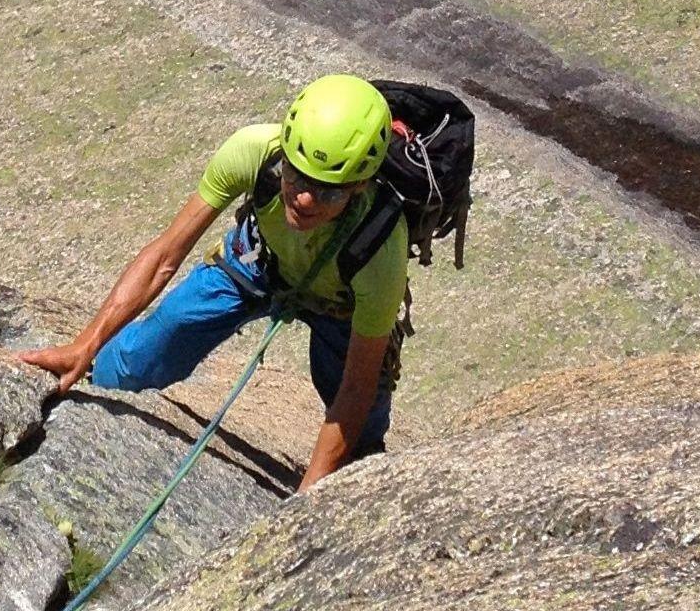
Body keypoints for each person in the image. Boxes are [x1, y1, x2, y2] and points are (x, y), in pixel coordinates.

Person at [22, 75, 410, 491]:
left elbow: (354, 388)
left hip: (341, 304)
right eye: (295, 178)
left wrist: (302, 507)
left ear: (360, 186)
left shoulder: (381, 248)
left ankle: (357, 476)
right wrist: (85, 346)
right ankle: (99, 379)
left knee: (363, 432)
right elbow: (164, 256)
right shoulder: (253, 153)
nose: (304, 200)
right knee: (147, 351)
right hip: (257, 261)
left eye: (329, 193)